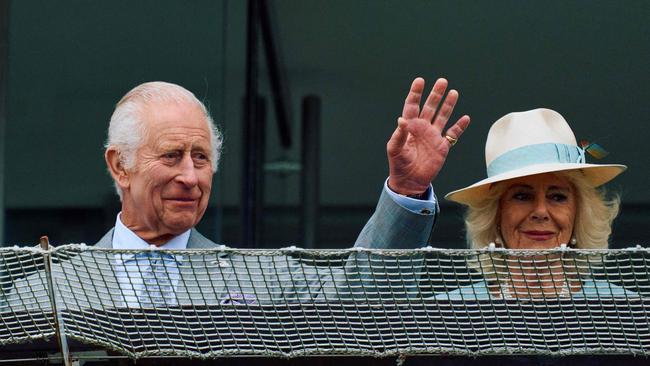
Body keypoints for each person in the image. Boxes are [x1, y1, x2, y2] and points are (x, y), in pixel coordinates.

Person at [3, 77, 469, 310]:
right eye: (172, 156)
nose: (191, 176)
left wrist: (406, 190)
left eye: (201, 158)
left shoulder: (260, 281)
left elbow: (359, 303)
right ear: (119, 165)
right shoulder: (43, 293)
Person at [432, 108, 633, 300]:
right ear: (496, 213)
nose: (540, 211)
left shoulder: (632, 312)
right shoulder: (444, 313)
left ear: (579, 213)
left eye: (557, 197)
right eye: (522, 196)